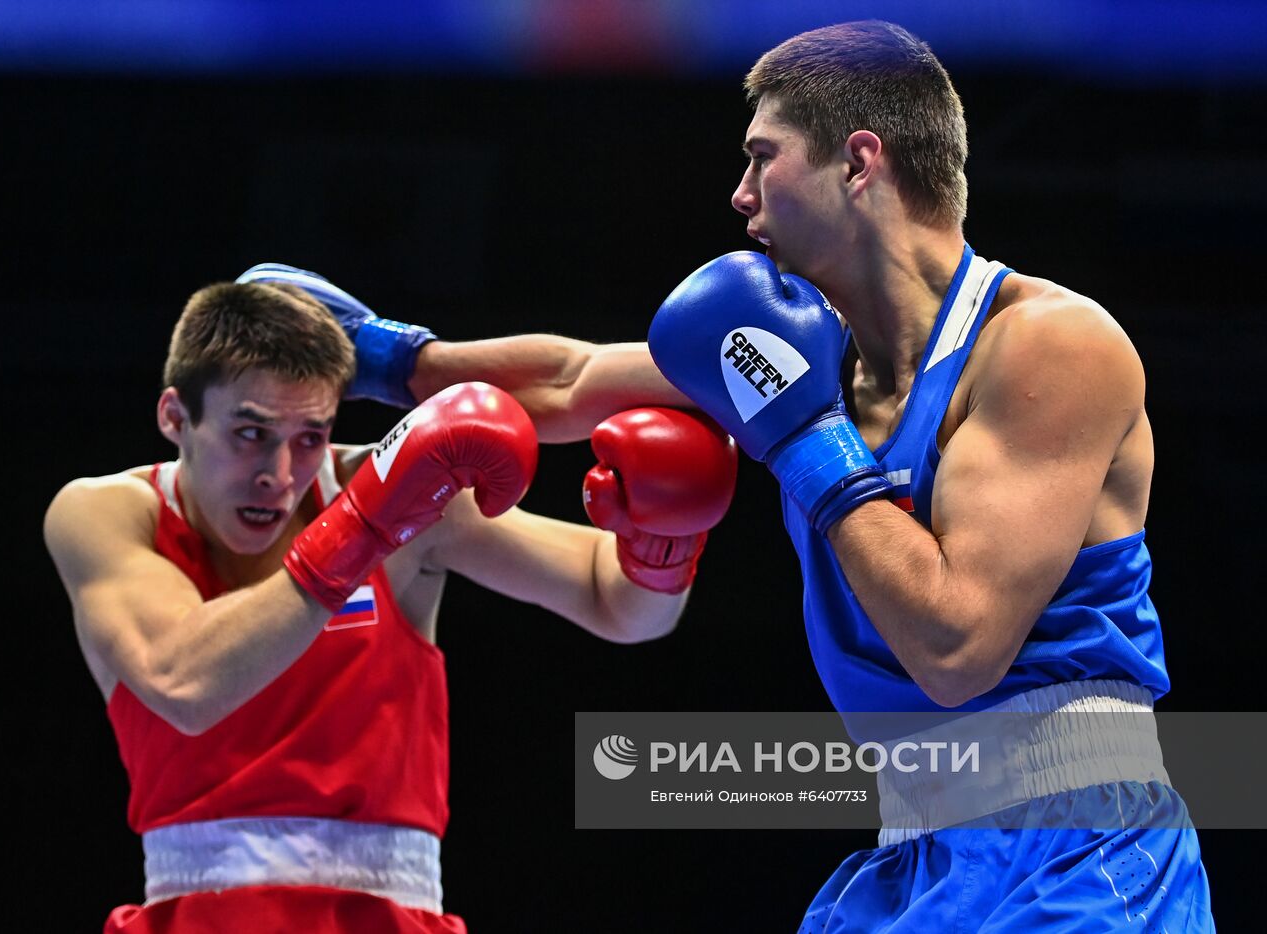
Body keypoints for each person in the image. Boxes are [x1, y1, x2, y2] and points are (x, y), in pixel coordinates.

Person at [312, 20, 1213, 931]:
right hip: (915, 851)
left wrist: (805, 434)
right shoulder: (812, 363)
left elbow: (956, 648)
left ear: (859, 164)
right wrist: (375, 357)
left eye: (762, 157)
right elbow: (570, 379)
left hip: (1080, 850)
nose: (740, 196)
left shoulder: (1049, 345)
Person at [42, 279, 738, 932]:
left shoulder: (389, 489)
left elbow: (622, 610)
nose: (278, 476)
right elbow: (182, 680)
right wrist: (366, 523)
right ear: (175, 416)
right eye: (250, 434)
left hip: (393, 912)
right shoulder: (105, 513)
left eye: (309, 437)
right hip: (195, 912)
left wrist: (662, 539)